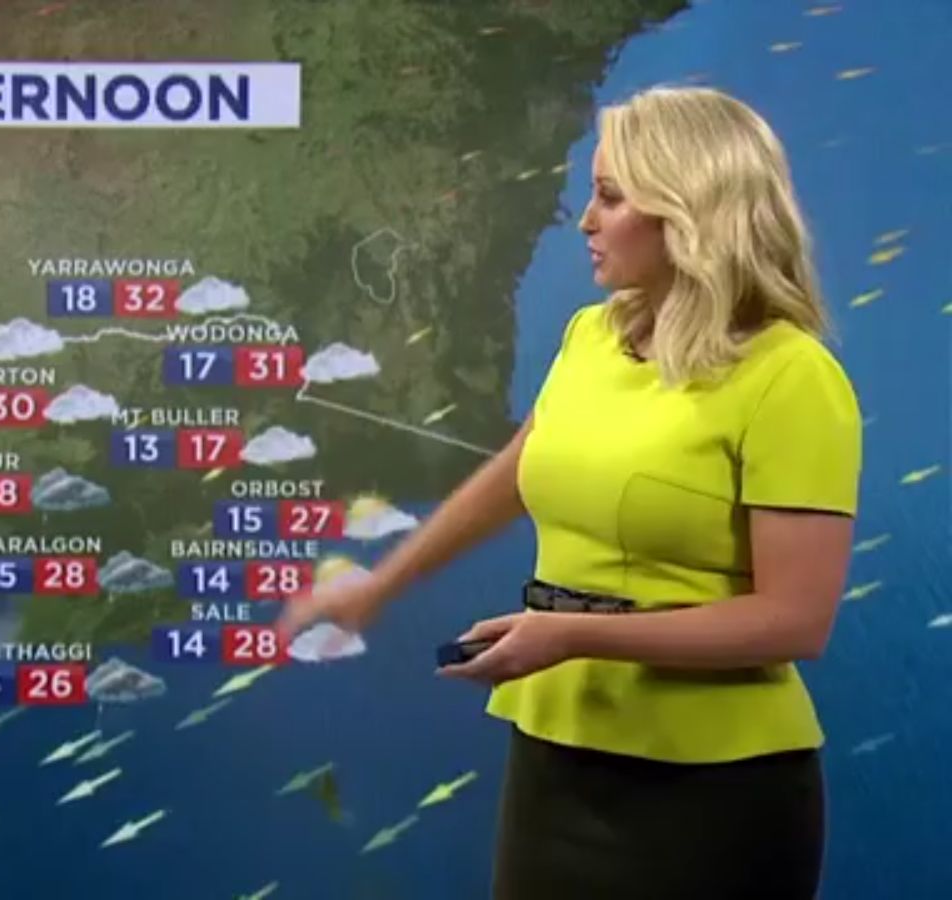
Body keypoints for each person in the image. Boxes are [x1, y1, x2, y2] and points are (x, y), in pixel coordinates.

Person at [278, 85, 861, 900]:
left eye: (611, 196)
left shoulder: (792, 378)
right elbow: (521, 471)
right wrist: (381, 585)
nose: (585, 220)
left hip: (713, 793)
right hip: (555, 763)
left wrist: (573, 636)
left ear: (688, 210)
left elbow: (795, 621)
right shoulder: (592, 337)